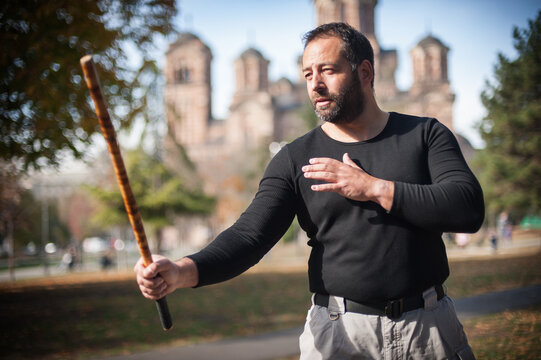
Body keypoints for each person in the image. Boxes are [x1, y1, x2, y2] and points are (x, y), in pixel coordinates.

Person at [134, 22, 484, 359]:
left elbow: (467, 208)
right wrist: (181, 271)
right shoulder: (294, 157)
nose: (315, 85)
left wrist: (373, 187)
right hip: (339, 334)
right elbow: (250, 236)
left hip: (426, 329)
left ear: (365, 72)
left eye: (328, 70)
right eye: (307, 74)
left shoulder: (424, 135)